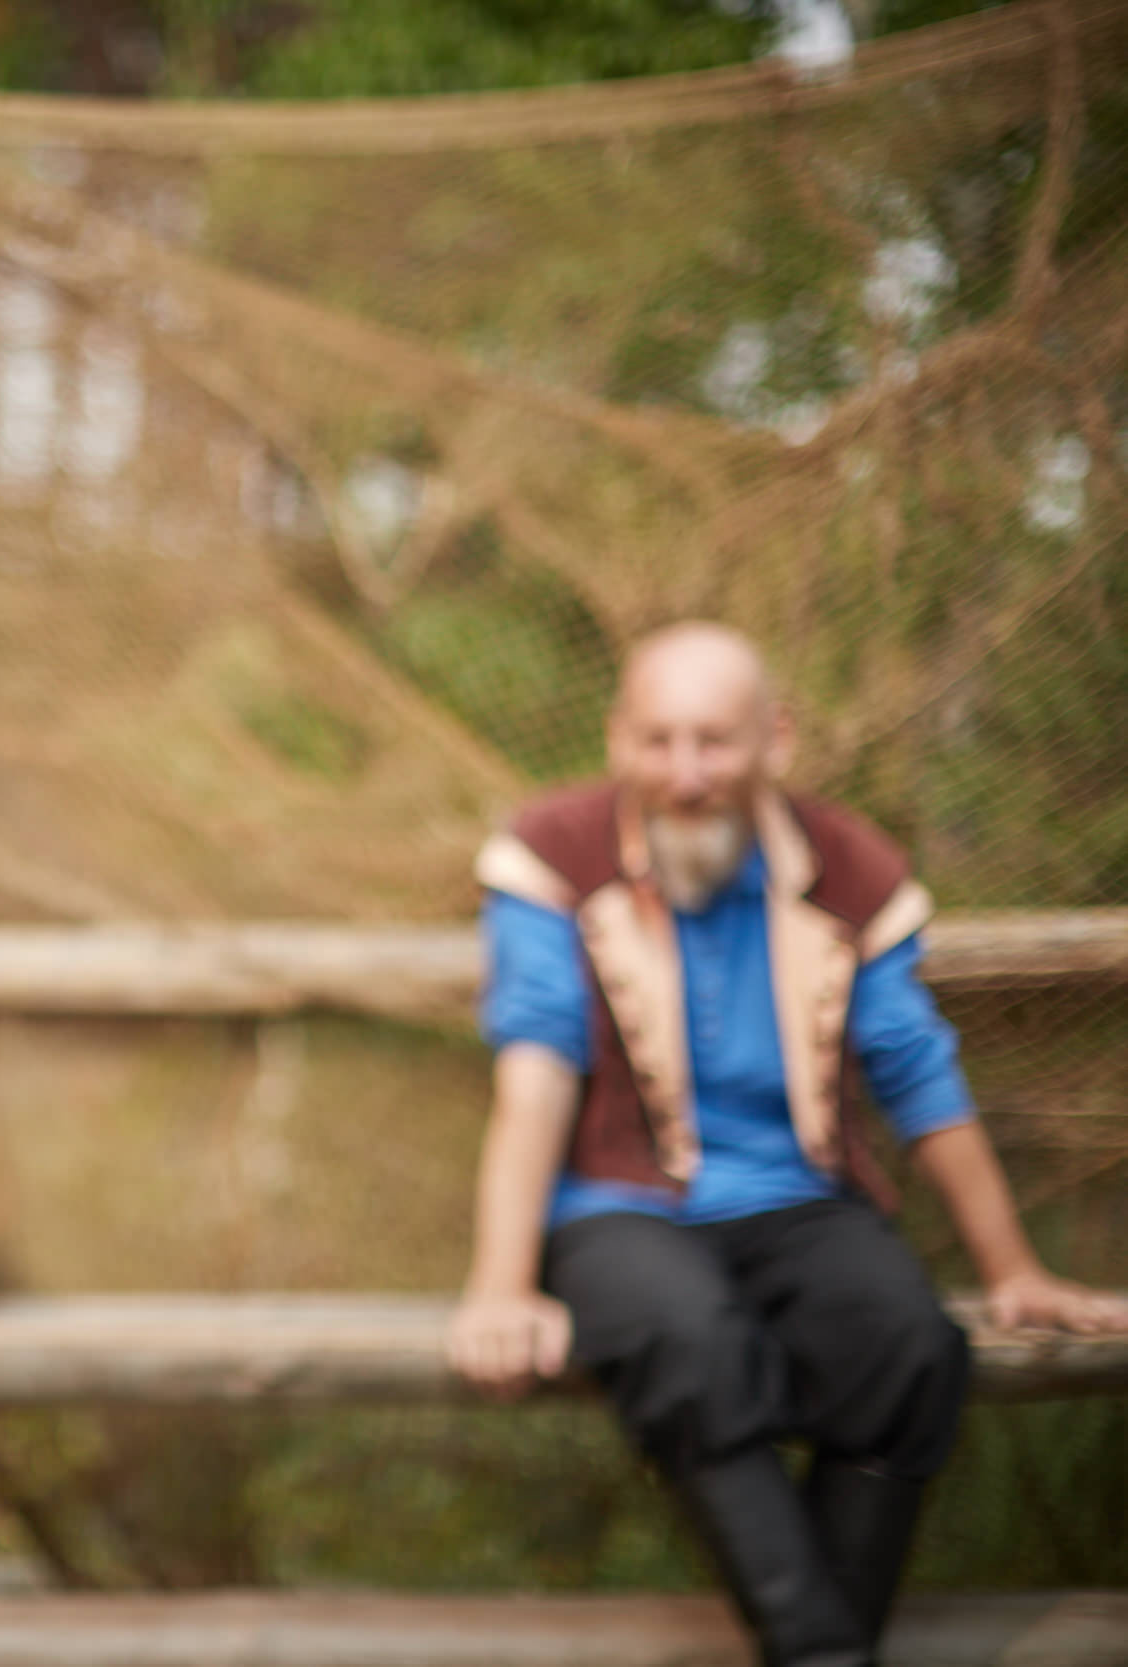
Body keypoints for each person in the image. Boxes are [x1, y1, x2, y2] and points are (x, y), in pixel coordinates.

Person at [445, 621, 1127, 1667]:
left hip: (799, 1199)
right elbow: (533, 1072)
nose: (684, 773)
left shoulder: (849, 865)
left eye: (714, 741)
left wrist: (1012, 1267)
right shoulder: (551, 853)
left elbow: (913, 1066)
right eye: (657, 739)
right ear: (615, 735)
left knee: (908, 1344)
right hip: (616, 1207)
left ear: (777, 737)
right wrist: (500, 1281)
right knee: (690, 1336)